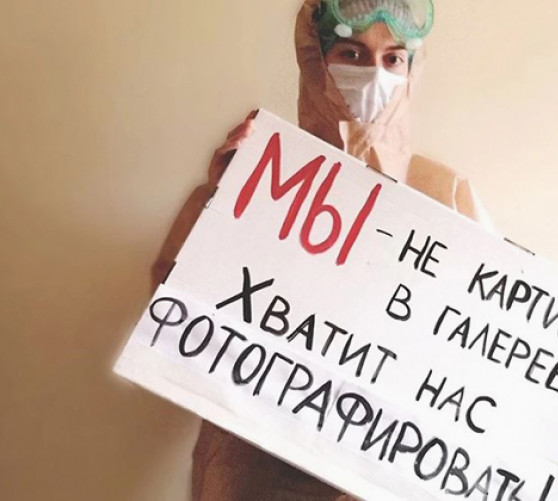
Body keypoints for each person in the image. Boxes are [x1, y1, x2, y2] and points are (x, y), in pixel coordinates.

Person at [150, 0, 497, 499]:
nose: (375, 75)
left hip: (384, 472)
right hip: (252, 469)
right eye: (352, 54)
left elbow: (486, 352)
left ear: (411, 68)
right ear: (316, 59)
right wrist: (221, 203)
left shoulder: (445, 194)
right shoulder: (260, 173)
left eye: (393, 58)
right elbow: (172, 319)